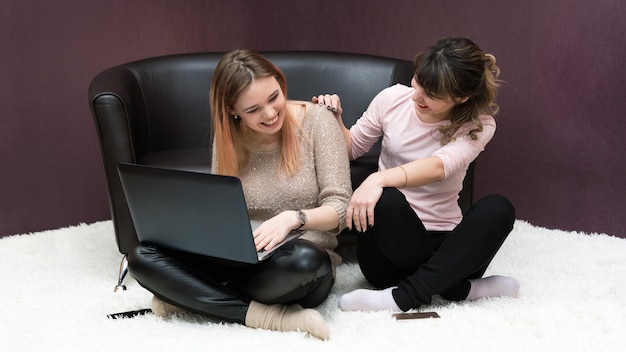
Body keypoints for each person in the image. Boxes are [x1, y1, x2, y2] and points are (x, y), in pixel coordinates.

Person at [127, 49, 352, 340]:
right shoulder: (229, 136)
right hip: (242, 259)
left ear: (280, 83)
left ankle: (189, 296)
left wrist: (293, 219)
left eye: (274, 97)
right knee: (142, 256)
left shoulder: (318, 121)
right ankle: (270, 317)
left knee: (307, 262)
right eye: (253, 110)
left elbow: (341, 208)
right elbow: (222, 211)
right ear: (233, 110)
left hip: (296, 262)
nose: (270, 114)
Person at [313, 37, 519, 313]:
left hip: (445, 242)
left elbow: (437, 167)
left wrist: (377, 178)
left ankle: (403, 298)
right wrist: (334, 118)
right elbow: (352, 148)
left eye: (432, 95)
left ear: (462, 97)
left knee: (499, 208)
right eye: (418, 81)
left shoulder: (479, 125)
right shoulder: (391, 99)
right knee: (385, 199)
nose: (417, 96)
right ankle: (458, 288)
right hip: (388, 250)